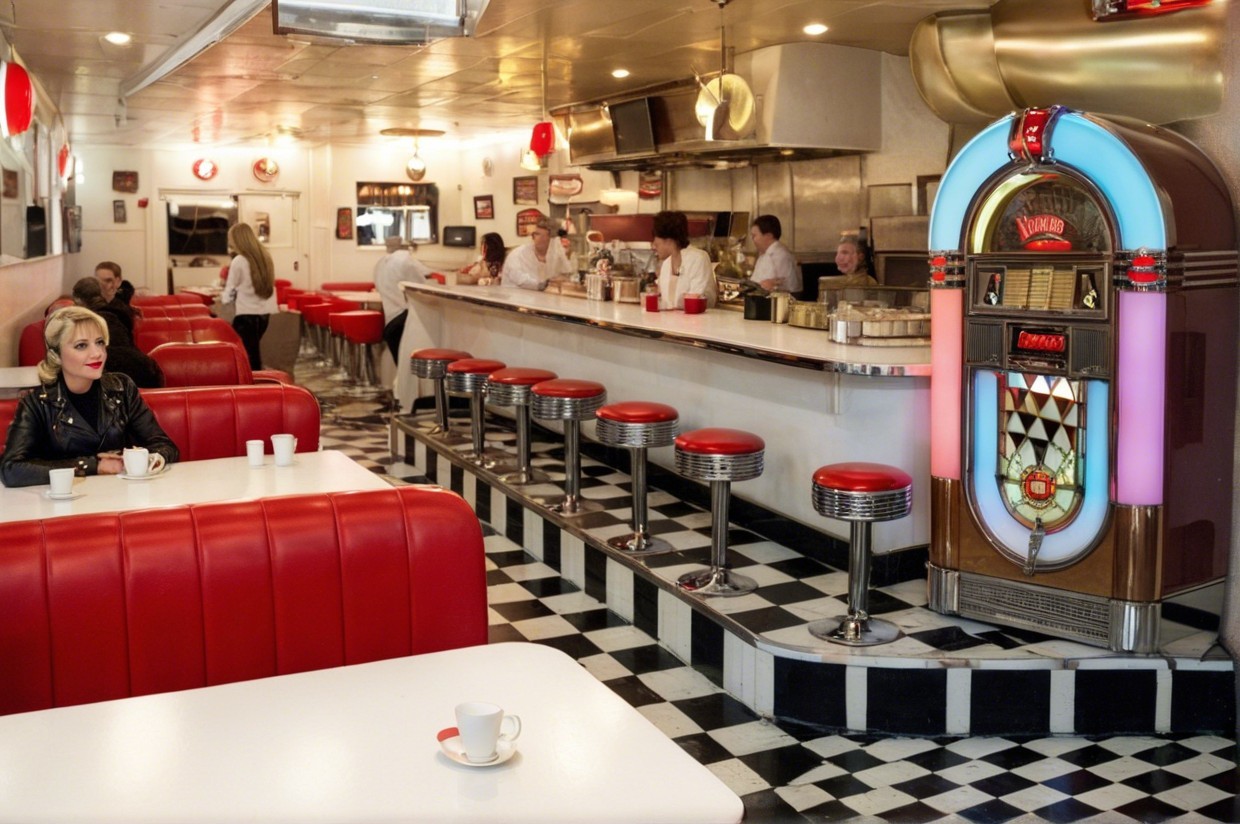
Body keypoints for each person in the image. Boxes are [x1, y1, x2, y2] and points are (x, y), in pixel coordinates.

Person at [1, 306, 178, 488]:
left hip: (121, 496)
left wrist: (153, 459)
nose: (97, 353)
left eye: (100, 342)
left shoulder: (122, 387)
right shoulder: (38, 402)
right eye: (81, 345)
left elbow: (163, 445)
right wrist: (93, 466)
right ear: (56, 355)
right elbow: (11, 469)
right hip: (65, 504)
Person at [71, 277, 164, 389]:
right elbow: (127, 287)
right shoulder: (117, 311)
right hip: (143, 366)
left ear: (79, 302)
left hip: (114, 369)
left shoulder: (84, 326)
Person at [221, 222, 278, 371]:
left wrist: (223, 300)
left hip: (246, 314)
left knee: (247, 357)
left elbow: (230, 289)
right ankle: (257, 385)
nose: (230, 242)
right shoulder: (265, 257)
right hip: (265, 314)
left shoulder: (239, 261)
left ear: (237, 239)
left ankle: (251, 388)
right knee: (254, 354)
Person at [374, 235, 433, 362]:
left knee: (401, 368)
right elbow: (422, 287)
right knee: (408, 370)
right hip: (403, 322)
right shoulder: (405, 259)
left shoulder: (380, 263)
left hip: (389, 322)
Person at [652, 210, 717, 311]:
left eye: (656, 244)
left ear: (669, 241)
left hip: (696, 325)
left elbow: (694, 300)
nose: (653, 247)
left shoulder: (698, 258)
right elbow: (665, 301)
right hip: (667, 325)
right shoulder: (666, 264)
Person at [500, 218, 573, 290]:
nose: (533, 237)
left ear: (549, 238)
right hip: (514, 298)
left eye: (537, 234)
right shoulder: (518, 254)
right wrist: (546, 284)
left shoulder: (556, 252)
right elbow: (520, 279)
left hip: (539, 299)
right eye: (534, 234)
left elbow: (567, 274)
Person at [749, 215, 801, 295]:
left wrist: (773, 285)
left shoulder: (781, 256)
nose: (753, 239)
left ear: (769, 236)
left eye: (754, 236)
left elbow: (789, 288)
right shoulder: (763, 255)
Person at [95, 261, 138, 327]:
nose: (101, 285)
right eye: (98, 281)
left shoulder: (121, 312)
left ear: (118, 281)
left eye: (108, 280)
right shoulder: (91, 305)